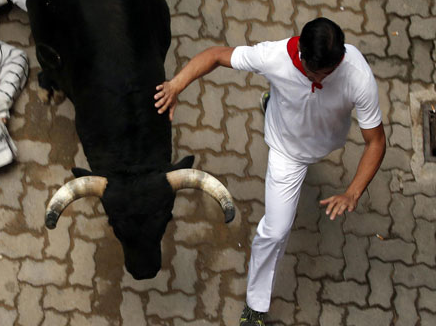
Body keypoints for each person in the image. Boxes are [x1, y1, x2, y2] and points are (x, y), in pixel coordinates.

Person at [154, 17, 386, 326]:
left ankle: (272, 101)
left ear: (339, 58)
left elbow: (376, 141)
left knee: (291, 104)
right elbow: (214, 55)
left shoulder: (357, 75)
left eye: (325, 73)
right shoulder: (275, 56)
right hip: (286, 153)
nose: (315, 76)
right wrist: (176, 84)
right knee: (274, 232)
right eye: (310, 70)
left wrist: (353, 191)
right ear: (301, 52)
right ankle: (255, 305)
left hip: (322, 143)